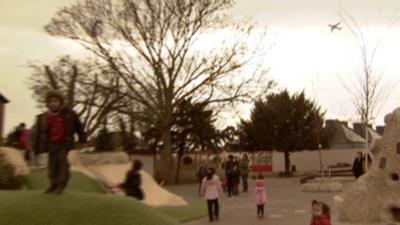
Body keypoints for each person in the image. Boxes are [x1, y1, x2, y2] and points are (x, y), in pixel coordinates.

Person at [31, 90, 86, 195]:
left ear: (61, 102)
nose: (53, 104)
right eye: (51, 102)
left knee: (62, 163)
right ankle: (53, 184)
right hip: (51, 144)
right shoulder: (45, 117)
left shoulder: (69, 114)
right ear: (47, 104)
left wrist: (82, 139)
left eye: (56, 101)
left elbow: (79, 127)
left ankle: (61, 185)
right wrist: (36, 146)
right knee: (52, 165)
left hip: (64, 143)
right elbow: (39, 133)